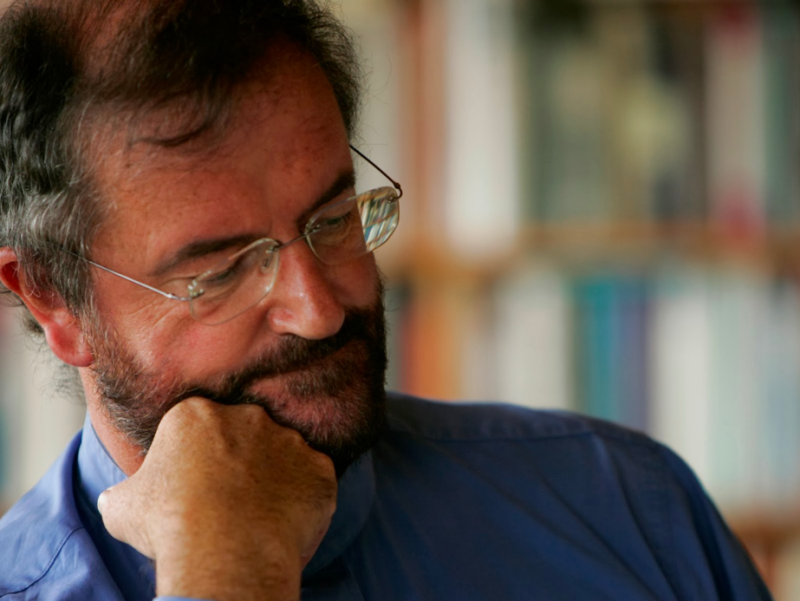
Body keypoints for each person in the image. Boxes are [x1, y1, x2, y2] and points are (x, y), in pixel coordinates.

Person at [0, 0, 772, 599]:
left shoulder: (630, 511)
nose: (320, 309)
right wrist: (227, 574)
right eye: (224, 270)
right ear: (54, 300)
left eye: (334, 218)